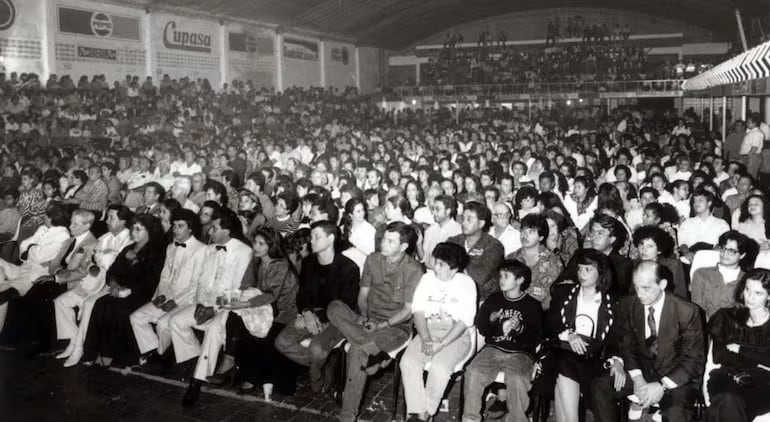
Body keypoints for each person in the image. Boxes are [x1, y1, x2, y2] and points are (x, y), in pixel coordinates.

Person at [328, 221, 423, 422]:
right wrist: (364, 316)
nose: (383, 243)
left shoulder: (414, 270)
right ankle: (375, 353)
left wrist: (380, 325)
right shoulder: (372, 260)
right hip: (368, 320)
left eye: (390, 241)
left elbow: (407, 311)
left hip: (395, 327)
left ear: (403, 246)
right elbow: (363, 295)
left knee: (356, 351)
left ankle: (347, 415)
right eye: (384, 239)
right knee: (334, 307)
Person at [591, 261, 705, 422]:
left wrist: (661, 385)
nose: (639, 294)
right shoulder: (628, 304)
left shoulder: (687, 311)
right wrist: (637, 377)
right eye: (636, 287)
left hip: (676, 378)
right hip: (642, 371)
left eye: (646, 288)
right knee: (600, 385)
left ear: (662, 284)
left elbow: (694, 360)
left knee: (675, 413)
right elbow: (626, 344)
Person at [170, 208, 252, 406]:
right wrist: (199, 304)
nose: (209, 232)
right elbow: (201, 281)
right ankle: (199, 359)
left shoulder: (244, 252)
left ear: (227, 230)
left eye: (214, 228)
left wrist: (213, 310)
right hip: (204, 302)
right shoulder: (209, 249)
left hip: (228, 307)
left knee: (214, 331)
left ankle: (196, 382)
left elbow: (236, 291)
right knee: (175, 321)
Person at [274, 220, 360, 393]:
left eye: (316, 237)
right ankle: (325, 364)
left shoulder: (349, 268)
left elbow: (346, 306)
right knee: (282, 342)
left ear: (330, 238)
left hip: (338, 319)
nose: (310, 241)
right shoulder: (308, 263)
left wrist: (316, 318)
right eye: (311, 237)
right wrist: (306, 313)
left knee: (316, 347)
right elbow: (302, 294)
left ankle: (317, 367)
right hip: (312, 314)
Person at [215, 226, 299, 397]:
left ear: (271, 245)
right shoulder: (256, 260)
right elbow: (245, 285)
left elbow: (271, 296)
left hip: (282, 313)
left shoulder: (280, 265)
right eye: (255, 243)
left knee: (257, 332)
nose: (256, 247)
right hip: (262, 308)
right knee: (234, 316)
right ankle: (230, 359)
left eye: (261, 244)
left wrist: (245, 304)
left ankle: (249, 376)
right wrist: (236, 300)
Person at [400, 242, 477, 422]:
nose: (435, 267)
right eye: (436, 262)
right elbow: (418, 311)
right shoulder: (427, 279)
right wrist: (426, 339)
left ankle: (425, 413)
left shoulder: (466, 283)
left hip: (457, 335)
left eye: (441, 265)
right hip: (429, 330)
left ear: (454, 269)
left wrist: (441, 344)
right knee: (408, 362)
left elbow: (465, 321)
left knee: (440, 368)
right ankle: (418, 411)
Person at [80, 214, 167, 368]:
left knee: (118, 310)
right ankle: (93, 353)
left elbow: (150, 280)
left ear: (150, 232)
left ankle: (122, 356)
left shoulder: (156, 252)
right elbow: (112, 271)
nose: (133, 232)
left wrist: (134, 261)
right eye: (133, 228)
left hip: (140, 294)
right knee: (100, 304)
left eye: (138, 229)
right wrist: (113, 284)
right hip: (120, 290)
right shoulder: (128, 248)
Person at [462, 259, 543, 422]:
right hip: (493, 349)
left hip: (520, 353)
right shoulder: (494, 299)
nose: (501, 280)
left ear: (520, 280)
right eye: (500, 276)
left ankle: (517, 418)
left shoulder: (532, 305)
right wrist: (491, 320)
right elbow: (482, 329)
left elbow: (536, 338)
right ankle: (470, 418)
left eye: (506, 276)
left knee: (516, 379)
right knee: (473, 371)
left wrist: (520, 328)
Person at [52, 205, 133, 366]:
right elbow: (92, 262)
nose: (107, 221)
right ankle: (74, 339)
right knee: (61, 302)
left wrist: (103, 260)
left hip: (113, 284)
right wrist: (94, 266)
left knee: (89, 305)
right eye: (108, 217)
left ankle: (79, 348)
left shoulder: (129, 241)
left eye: (112, 217)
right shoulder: (104, 238)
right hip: (95, 281)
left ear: (123, 220)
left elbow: (117, 266)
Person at [548, 250, 619, 422]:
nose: (582, 274)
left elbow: (616, 339)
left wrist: (616, 360)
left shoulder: (612, 302)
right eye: (580, 269)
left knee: (563, 375)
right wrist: (570, 334)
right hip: (564, 352)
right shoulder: (564, 293)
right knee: (564, 363)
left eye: (588, 270)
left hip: (594, 359)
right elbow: (550, 326)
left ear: (600, 273)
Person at [129, 209, 206, 367]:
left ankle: (177, 357)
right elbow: (164, 276)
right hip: (168, 297)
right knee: (136, 317)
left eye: (181, 226)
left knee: (164, 323)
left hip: (187, 300)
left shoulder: (201, 250)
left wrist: (175, 302)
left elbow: (196, 284)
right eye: (174, 226)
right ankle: (154, 350)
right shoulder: (171, 247)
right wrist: (161, 296)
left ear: (190, 228)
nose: (176, 230)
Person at [705, 268, 770, 422]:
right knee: (728, 398)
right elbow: (719, 356)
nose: (750, 297)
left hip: (762, 384)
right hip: (726, 377)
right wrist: (761, 358)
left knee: (725, 404)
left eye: (758, 293)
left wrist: (740, 349)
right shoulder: (726, 316)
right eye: (747, 290)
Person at [0, 202, 71, 330]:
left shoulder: (63, 235)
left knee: (3, 294)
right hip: (24, 267)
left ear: (52, 218)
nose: (43, 216)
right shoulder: (42, 228)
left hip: (34, 275)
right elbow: (23, 245)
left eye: (45, 215)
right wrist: (32, 249)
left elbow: (39, 255)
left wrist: (31, 249)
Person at [448, 201, 505, 301]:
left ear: (481, 223)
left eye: (469, 219)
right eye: (463, 219)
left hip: (482, 300)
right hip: (453, 295)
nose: (464, 223)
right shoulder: (452, 242)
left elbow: (480, 277)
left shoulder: (493, 246)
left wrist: (458, 260)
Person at [507, 213, 564, 309]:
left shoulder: (553, 261)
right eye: (523, 231)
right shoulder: (511, 258)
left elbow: (554, 296)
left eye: (531, 232)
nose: (525, 235)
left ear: (541, 237)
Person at [691, 231, 751, 321]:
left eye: (731, 251)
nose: (725, 253)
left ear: (742, 255)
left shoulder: (748, 280)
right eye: (723, 248)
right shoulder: (701, 274)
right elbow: (697, 308)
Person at [632, 226, 687, 299]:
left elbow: (680, 294)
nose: (643, 249)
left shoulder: (673, 265)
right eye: (641, 244)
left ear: (659, 250)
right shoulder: (634, 265)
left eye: (650, 246)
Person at [678, 189, 730, 262]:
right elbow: (682, 242)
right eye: (695, 200)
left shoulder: (721, 223)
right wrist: (686, 252)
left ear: (709, 203)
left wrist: (705, 256)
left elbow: (722, 243)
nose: (696, 203)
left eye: (700, 200)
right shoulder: (687, 223)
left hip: (712, 258)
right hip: (691, 258)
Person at [421, 195, 462, 269]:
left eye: (438, 209)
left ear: (448, 211)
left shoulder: (458, 231)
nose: (433, 213)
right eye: (433, 209)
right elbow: (424, 258)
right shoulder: (430, 230)